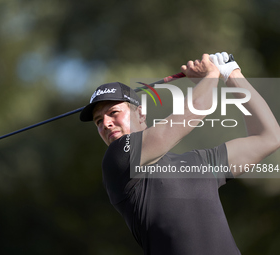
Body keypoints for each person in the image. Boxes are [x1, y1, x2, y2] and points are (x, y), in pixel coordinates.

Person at [80, 52, 280, 255]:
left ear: (140, 113)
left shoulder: (199, 162)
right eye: (98, 121)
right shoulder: (117, 161)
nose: (105, 123)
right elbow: (197, 108)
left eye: (113, 113)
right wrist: (210, 75)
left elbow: (269, 137)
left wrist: (232, 73)